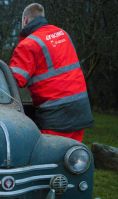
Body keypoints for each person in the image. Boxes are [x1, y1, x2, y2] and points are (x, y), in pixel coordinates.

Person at [10, 3, 93, 142]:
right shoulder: (63, 33)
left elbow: (13, 80)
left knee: (51, 156)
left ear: (25, 20)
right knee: (72, 156)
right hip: (80, 109)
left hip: (55, 115)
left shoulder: (29, 44)